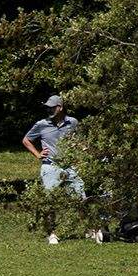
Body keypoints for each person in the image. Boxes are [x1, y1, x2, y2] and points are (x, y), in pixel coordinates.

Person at [21, 94, 88, 243]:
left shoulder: (73, 123)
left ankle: (88, 228)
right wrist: (38, 154)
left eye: (52, 107)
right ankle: (52, 233)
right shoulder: (41, 124)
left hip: (70, 166)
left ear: (60, 107)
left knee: (80, 197)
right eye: (47, 107)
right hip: (50, 167)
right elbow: (26, 140)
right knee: (50, 201)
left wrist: (81, 152)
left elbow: (80, 141)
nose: (49, 110)